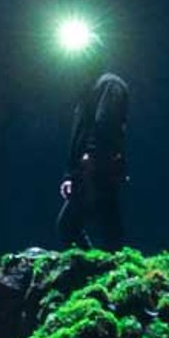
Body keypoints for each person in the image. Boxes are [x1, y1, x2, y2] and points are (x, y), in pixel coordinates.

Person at [58, 71, 130, 248]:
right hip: (91, 166)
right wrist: (69, 175)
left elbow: (106, 122)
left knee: (71, 225)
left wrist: (91, 156)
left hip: (98, 165)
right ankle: (105, 268)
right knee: (107, 224)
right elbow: (78, 136)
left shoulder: (110, 85)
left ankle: (102, 268)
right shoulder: (88, 92)